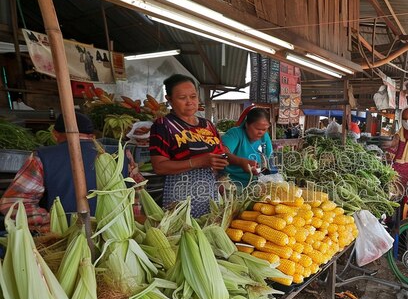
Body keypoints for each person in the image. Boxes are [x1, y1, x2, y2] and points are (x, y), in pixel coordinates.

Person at [0, 112, 139, 232]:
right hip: (116, 239)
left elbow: (12, 204)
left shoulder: (42, 158)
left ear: (55, 134)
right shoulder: (122, 156)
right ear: (92, 136)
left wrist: (55, 225)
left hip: (63, 242)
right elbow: (136, 198)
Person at [149, 74, 229, 218]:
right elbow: (159, 166)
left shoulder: (208, 125)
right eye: (182, 98)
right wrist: (198, 162)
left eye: (193, 96)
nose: (190, 102)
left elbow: (220, 156)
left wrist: (225, 182)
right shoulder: (163, 125)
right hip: (180, 195)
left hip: (210, 193)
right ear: (169, 99)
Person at [221, 106, 274, 187]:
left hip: (256, 184)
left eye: (264, 129)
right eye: (257, 128)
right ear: (247, 124)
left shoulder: (265, 137)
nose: (261, 132)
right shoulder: (235, 134)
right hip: (233, 184)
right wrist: (241, 162)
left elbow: (270, 160)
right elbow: (222, 154)